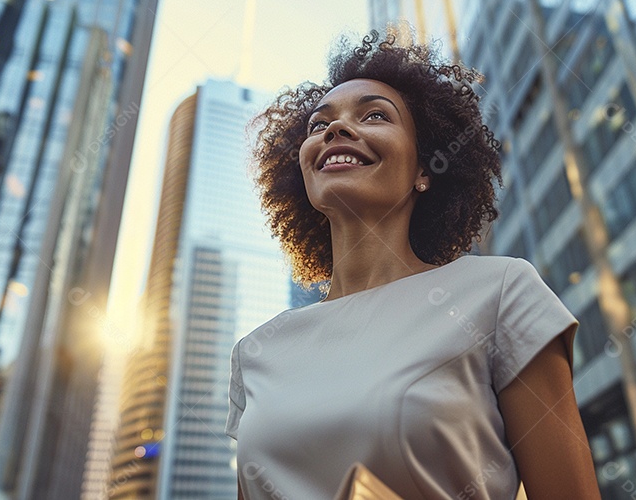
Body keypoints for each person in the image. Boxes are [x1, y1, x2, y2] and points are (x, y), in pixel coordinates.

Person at [228, 29, 600, 499]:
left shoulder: (501, 293)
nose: (335, 130)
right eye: (319, 124)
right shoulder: (255, 353)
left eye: (375, 115)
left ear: (425, 168)